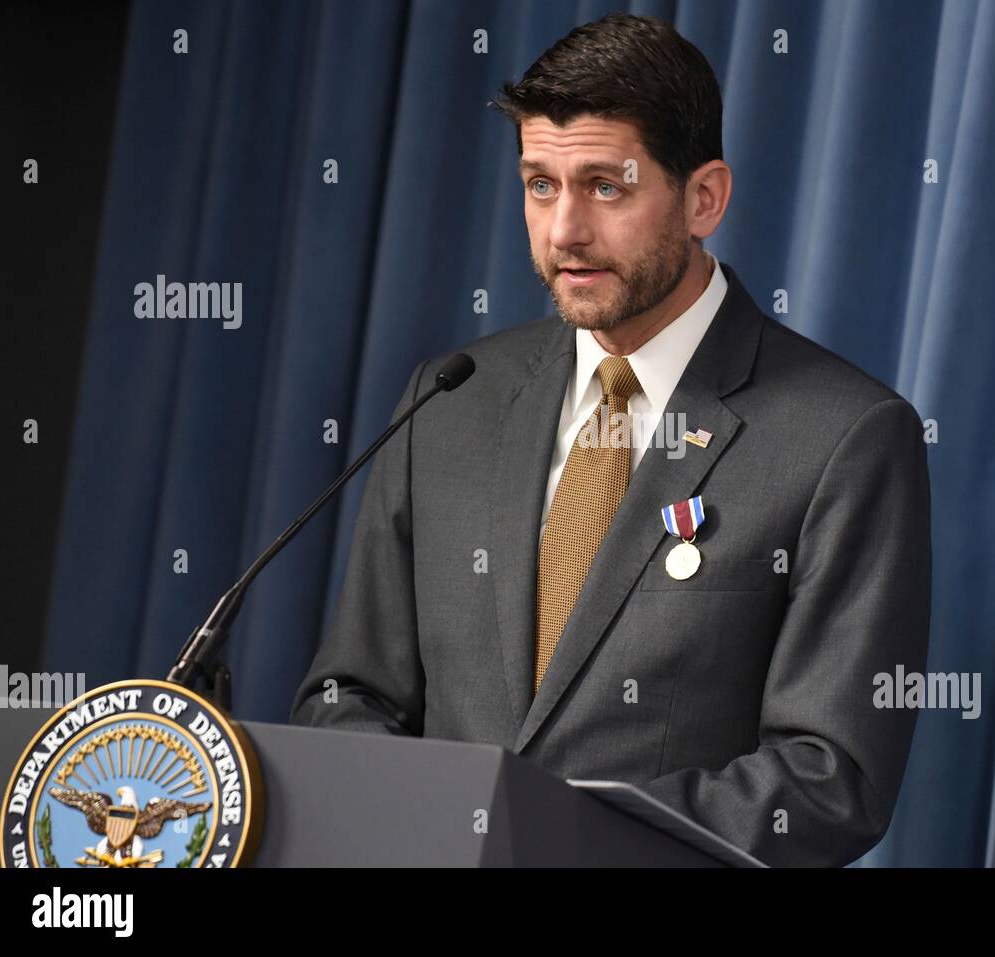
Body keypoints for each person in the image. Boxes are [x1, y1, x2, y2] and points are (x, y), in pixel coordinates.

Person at [291, 12, 931, 868]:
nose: (564, 232)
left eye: (606, 186)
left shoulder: (843, 437)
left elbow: (828, 778)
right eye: (540, 185)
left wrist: (546, 835)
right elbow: (352, 695)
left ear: (703, 198)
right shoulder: (450, 400)